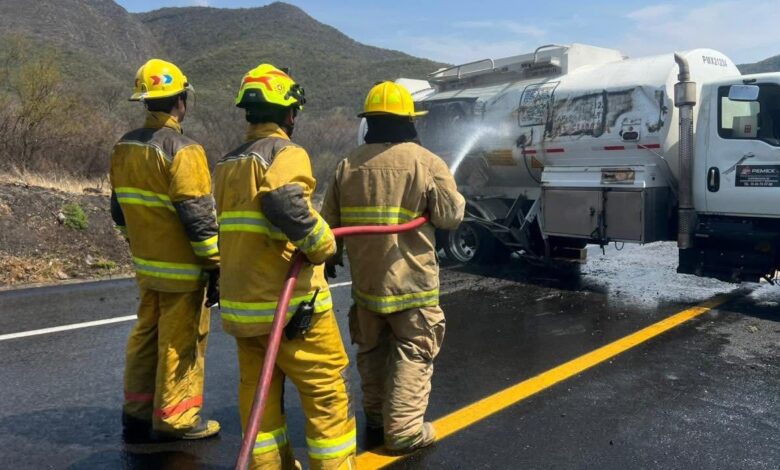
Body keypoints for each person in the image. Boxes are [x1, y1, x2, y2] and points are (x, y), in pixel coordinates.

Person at [213, 63, 356, 470]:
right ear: (289, 113)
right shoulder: (285, 153)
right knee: (326, 394)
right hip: (291, 311)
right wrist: (321, 243)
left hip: (244, 309)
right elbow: (283, 202)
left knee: (260, 401)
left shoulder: (228, 163)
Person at [321, 81, 465, 454]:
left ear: (370, 122)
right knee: (413, 351)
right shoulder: (427, 162)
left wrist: (331, 259)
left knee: (371, 351)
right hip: (412, 284)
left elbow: (329, 226)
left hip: (367, 286)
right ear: (408, 122)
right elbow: (450, 217)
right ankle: (403, 431)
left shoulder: (347, 165)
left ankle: (376, 417)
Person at [110, 59, 221, 441]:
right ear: (180, 101)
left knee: (145, 334)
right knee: (180, 340)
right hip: (183, 271)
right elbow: (198, 216)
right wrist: (216, 264)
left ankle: (137, 411)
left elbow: (118, 208)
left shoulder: (124, 146)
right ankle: (177, 418)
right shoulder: (183, 149)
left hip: (147, 265)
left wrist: (136, 241)